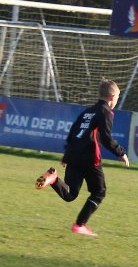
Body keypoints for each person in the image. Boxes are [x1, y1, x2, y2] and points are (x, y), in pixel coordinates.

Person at [35, 79, 130, 236]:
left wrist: (67, 155)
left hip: (74, 156)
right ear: (112, 97)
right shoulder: (105, 112)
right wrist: (120, 152)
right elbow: (106, 138)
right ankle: (80, 225)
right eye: (118, 97)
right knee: (99, 192)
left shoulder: (88, 111)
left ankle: (53, 179)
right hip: (90, 158)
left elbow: (73, 132)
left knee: (70, 193)